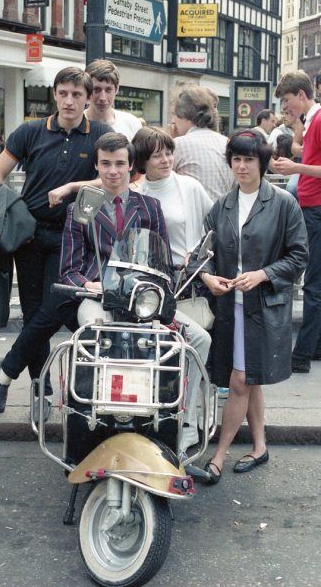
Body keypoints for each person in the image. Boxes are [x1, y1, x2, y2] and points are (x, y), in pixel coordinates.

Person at [0, 67, 112, 421]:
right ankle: (41, 392)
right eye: (63, 93)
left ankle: (7, 366)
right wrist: (4, 215)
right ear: (54, 95)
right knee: (32, 314)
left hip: (73, 239)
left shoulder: (101, 134)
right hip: (29, 236)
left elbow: (116, 175)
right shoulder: (30, 131)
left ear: (88, 98)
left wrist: (73, 188)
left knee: (53, 310)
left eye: (77, 94)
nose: (70, 100)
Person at [187, 129, 308, 483]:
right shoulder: (222, 204)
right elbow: (202, 254)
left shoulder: (284, 203)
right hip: (230, 308)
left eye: (249, 159)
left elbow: (299, 255)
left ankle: (218, 457)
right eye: (236, 159)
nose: (241, 166)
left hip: (263, 306)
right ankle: (259, 445)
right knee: (248, 377)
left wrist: (264, 274)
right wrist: (208, 277)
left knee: (239, 380)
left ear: (263, 162)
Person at [132, 126, 213, 451]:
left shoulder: (188, 186)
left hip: (187, 284)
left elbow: (214, 222)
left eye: (168, 151)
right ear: (142, 161)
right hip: (152, 290)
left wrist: (202, 259)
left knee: (195, 346)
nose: (165, 159)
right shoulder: (137, 193)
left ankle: (189, 422)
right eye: (156, 155)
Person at [59, 132, 170, 321]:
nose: (113, 171)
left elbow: (163, 265)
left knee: (200, 338)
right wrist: (88, 285)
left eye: (119, 163)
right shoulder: (80, 208)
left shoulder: (151, 207)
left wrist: (159, 294)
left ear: (130, 165)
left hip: (141, 297)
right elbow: (69, 272)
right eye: (105, 163)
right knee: (98, 328)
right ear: (96, 165)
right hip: (97, 297)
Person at [273, 70, 321, 373]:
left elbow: (307, 161)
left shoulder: (318, 119)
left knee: (313, 284)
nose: (286, 107)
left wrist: (295, 168)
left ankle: (301, 355)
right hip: (312, 205)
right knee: (313, 280)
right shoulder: (312, 120)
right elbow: (303, 151)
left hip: (315, 208)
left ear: (301, 96)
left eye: (289, 101)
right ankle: (311, 348)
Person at [171, 85, 234, 202]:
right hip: (223, 215)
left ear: (185, 114)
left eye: (174, 114)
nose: (172, 120)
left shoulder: (178, 145)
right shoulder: (226, 142)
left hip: (193, 216)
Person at [85, 59, 142, 140]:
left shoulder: (133, 123)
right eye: (96, 89)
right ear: (88, 89)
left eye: (108, 90)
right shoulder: (76, 123)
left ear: (117, 89)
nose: (102, 98)